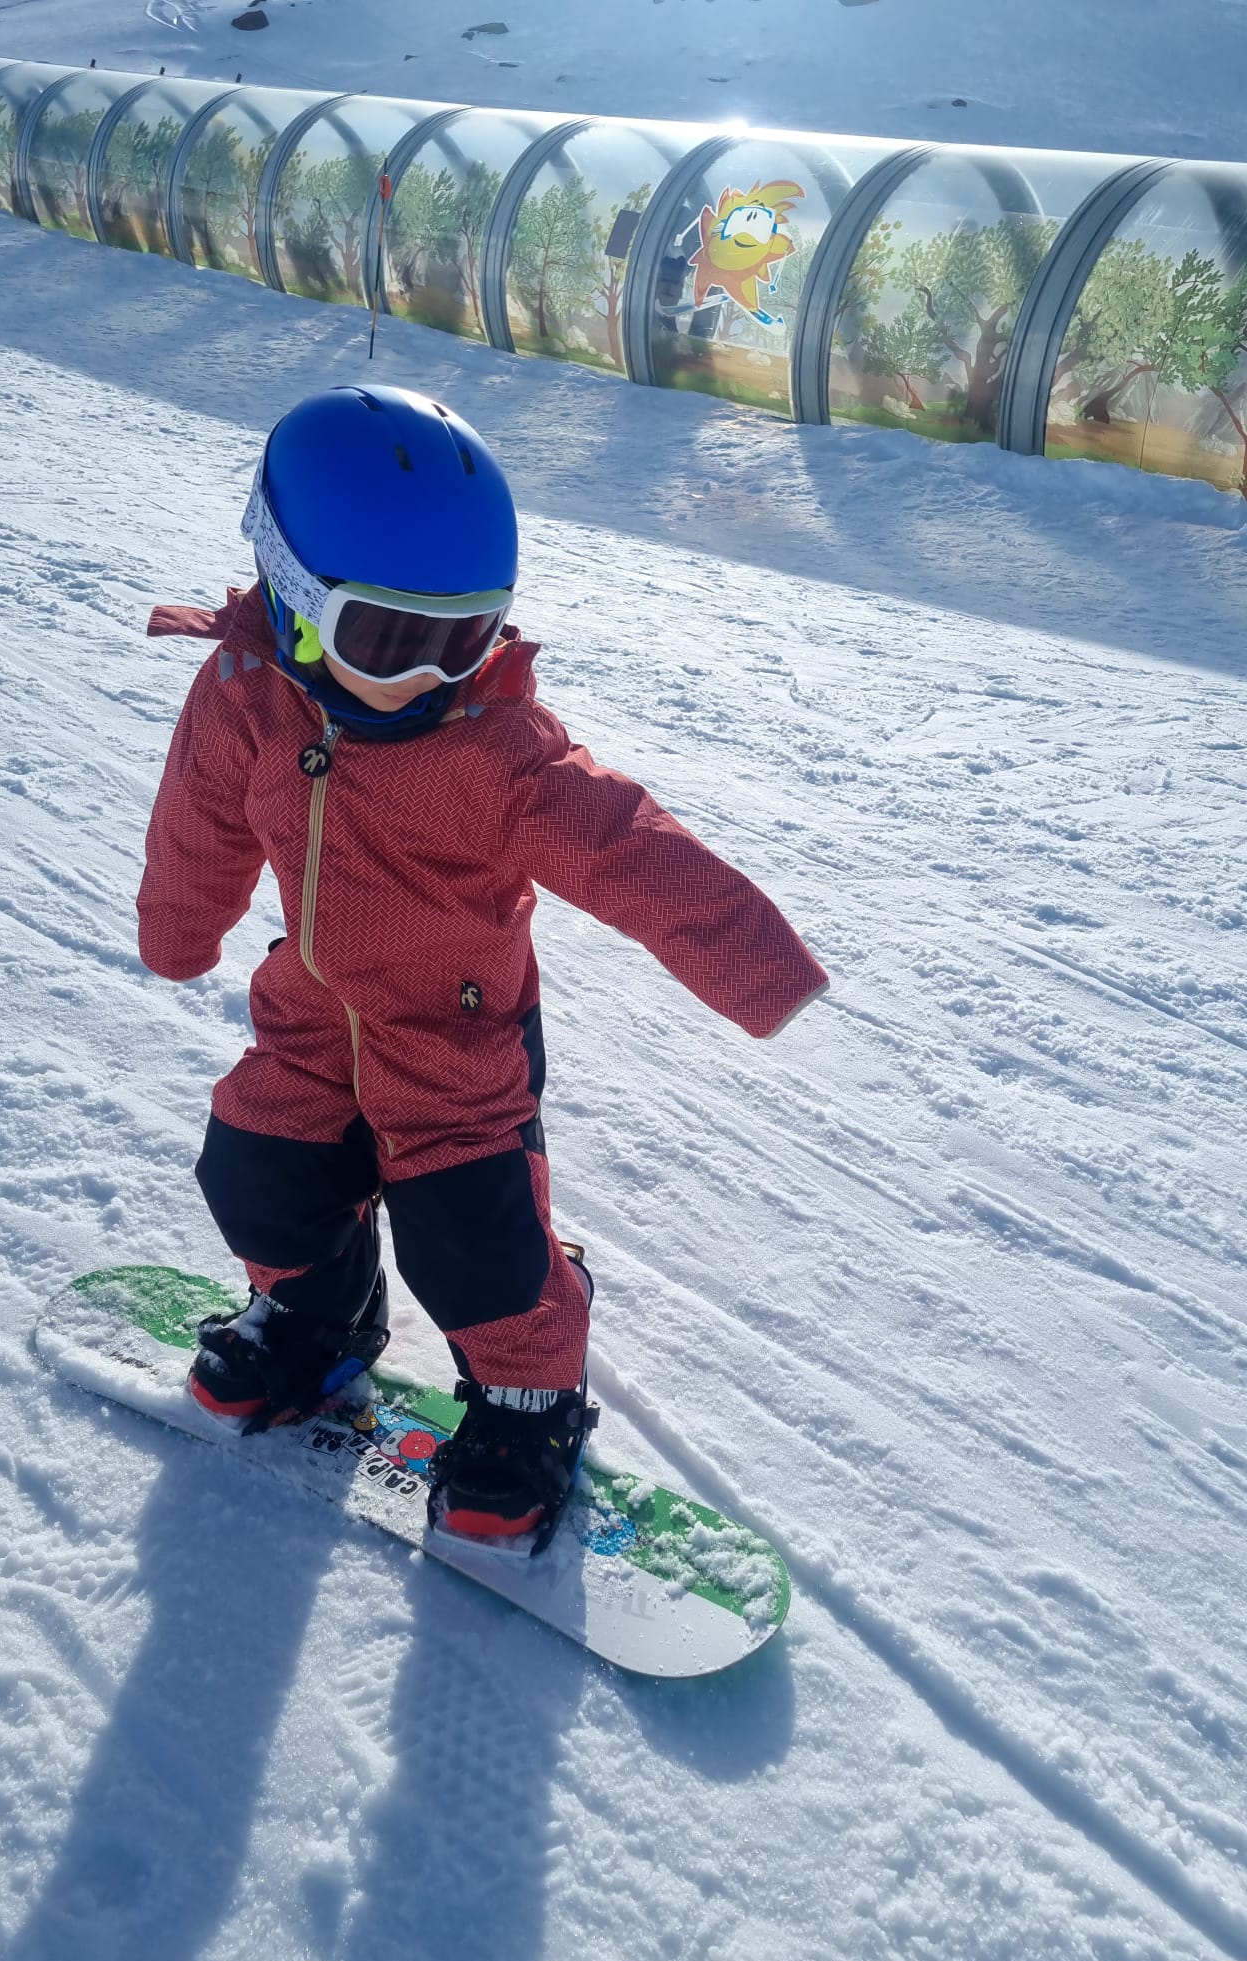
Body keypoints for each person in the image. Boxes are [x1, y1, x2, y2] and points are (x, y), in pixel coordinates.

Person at [137, 384, 828, 1549]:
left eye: (465, 638)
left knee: (474, 1238)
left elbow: (630, 849)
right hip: (308, 1016)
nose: (433, 680)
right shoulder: (243, 694)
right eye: (392, 641)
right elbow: (196, 825)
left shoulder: (495, 752)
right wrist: (179, 934)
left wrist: (760, 968)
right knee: (256, 1166)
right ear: (295, 598)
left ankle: (526, 1403)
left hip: (456, 1041)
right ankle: (314, 1314)